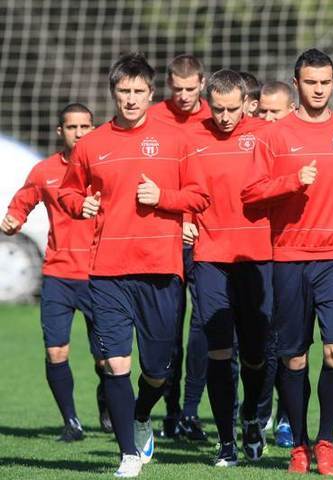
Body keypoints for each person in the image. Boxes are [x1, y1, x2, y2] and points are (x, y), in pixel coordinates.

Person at [58, 52, 209, 478]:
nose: (130, 99)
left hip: (161, 270)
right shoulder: (91, 144)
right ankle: (127, 453)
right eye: (123, 91)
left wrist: (163, 197)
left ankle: (143, 413)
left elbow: (200, 196)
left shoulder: (176, 142)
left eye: (138, 92)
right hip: (107, 271)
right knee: (115, 363)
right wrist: (79, 203)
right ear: (113, 93)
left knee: (157, 370)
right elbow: (68, 194)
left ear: (150, 93)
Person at [241, 48, 333, 475]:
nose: (319, 89)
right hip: (290, 258)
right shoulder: (273, 136)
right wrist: (291, 182)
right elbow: (250, 193)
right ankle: (298, 444)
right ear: (296, 83)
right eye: (311, 82)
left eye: (326, 82)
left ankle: (326, 442)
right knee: (294, 358)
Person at [1, 103, 110, 441]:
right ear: (60, 131)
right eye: (72, 127)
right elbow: (21, 203)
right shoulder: (44, 171)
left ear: (94, 129)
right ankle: (71, 423)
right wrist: (12, 220)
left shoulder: (107, 169)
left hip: (100, 275)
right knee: (56, 352)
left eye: (85, 126)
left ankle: (108, 405)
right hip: (59, 276)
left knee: (106, 359)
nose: (79, 133)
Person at [186, 68, 271, 466]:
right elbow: (179, 187)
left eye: (232, 109)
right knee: (218, 351)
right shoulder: (192, 138)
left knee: (256, 354)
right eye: (217, 109)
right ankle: (225, 442)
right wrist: (184, 218)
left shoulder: (266, 135)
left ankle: (251, 414)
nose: (224, 117)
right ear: (208, 101)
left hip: (256, 257)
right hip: (209, 258)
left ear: (245, 103)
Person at [149, 53, 211, 441]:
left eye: (191, 89)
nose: (184, 96)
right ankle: (170, 412)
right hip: (165, 238)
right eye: (177, 89)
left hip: (207, 237)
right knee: (167, 329)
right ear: (167, 87)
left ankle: (190, 411)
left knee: (203, 326)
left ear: (202, 84)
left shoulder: (215, 117)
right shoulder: (153, 118)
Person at [254, 79, 297, 449]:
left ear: (291, 110)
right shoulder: (250, 146)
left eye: (275, 111)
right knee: (257, 341)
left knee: (288, 341)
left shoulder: (297, 147)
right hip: (251, 253)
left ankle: (285, 416)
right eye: (262, 110)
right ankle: (258, 410)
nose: (267, 118)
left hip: (290, 255)